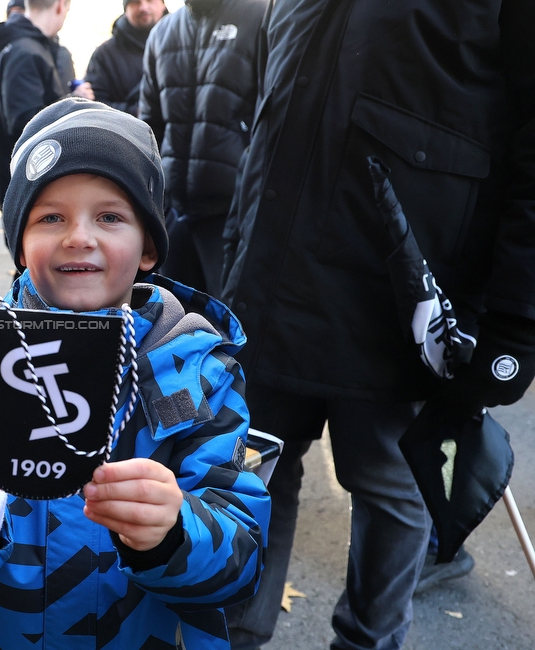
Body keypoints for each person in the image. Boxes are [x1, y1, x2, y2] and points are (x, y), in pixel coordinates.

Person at [0, 98, 270, 649]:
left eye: (110, 216)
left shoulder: (197, 374)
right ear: (20, 246)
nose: (78, 237)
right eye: (50, 217)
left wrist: (174, 532)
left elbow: (242, 562)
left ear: (148, 248)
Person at [220, 1, 535, 648]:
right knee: (254, 472)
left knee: (390, 485)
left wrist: (517, 320)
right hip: (273, 282)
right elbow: (271, 115)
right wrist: (237, 252)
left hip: (402, 289)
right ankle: (234, 634)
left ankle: (367, 640)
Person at [138, 0, 267, 297]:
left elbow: (273, 117)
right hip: (173, 213)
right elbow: (149, 127)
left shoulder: (260, 17)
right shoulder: (162, 33)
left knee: (229, 325)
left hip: (233, 213)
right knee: (176, 324)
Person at [0, 0, 93, 201]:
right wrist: (74, 100)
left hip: (32, 178)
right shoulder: (25, 52)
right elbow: (25, 123)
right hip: (27, 181)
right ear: (60, 5)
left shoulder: (31, 47)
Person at [85, 0, 166, 117]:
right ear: (125, 9)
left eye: (150, 0)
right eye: (135, 2)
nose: (143, 7)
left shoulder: (185, 43)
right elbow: (95, 106)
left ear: (162, 4)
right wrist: (135, 112)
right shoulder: (104, 55)